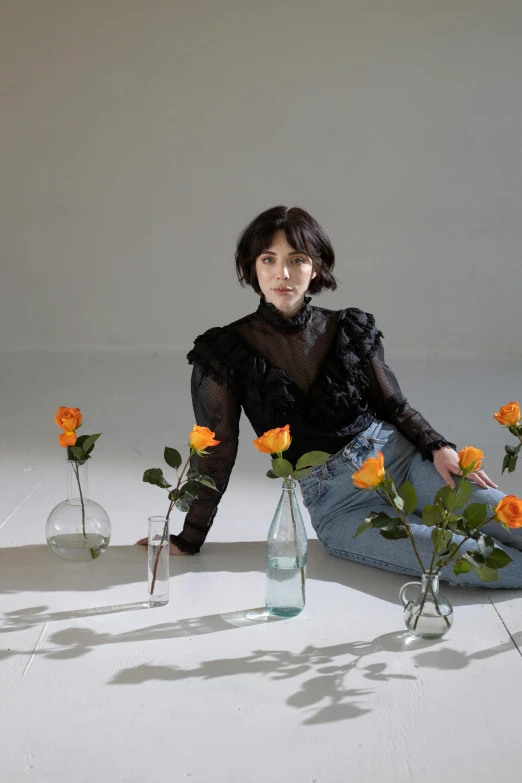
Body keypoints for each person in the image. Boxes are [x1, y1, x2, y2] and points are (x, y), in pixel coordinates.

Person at [138, 206, 522, 587]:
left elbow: (394, 404)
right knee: (468, 558)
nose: (282, 274)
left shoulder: (348, 327)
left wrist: (438, 446)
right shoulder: (224, 352)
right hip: (339, 505)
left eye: (297, 260)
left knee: (506, 518)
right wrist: (189, 538)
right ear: (252, 267)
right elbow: (217, 450)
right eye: (268, 259)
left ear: (316, 267)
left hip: (400, 461)